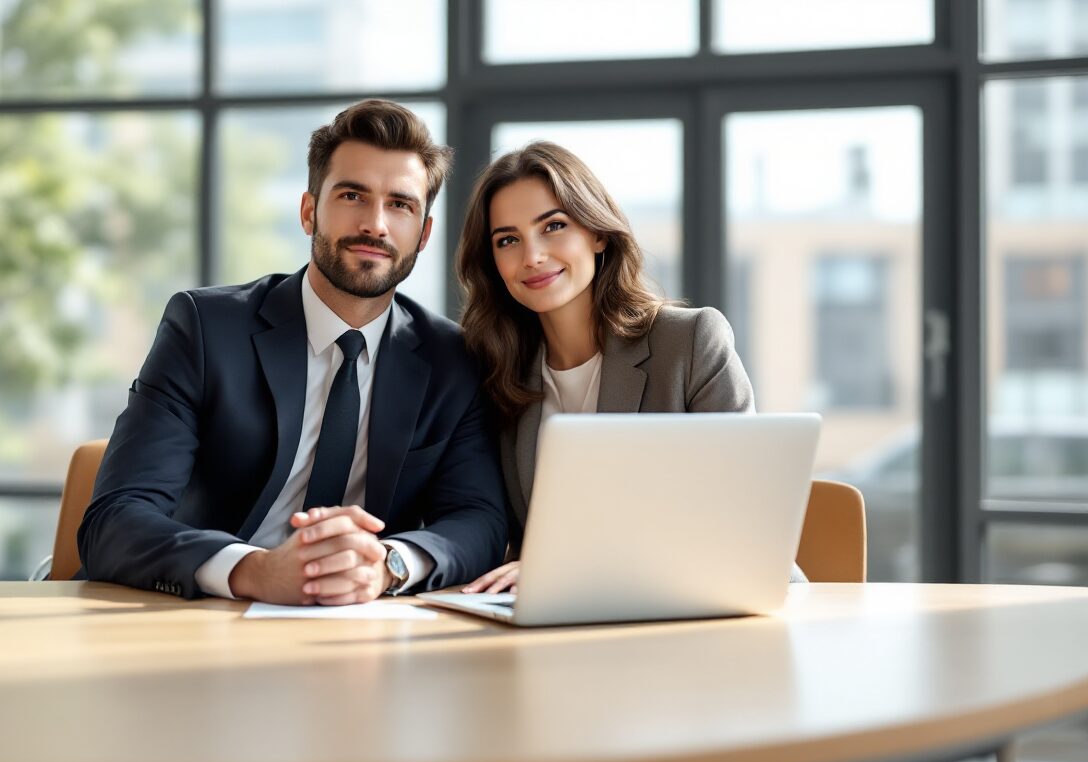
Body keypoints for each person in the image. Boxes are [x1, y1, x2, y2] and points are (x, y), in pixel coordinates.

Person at [78, 100, 508, 605]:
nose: (375, 224)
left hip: (361, 626)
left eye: (401, 204)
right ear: (309, 212)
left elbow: (479, 519)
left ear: (424, 234)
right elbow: (115, 517)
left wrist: (387, 565)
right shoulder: (204, 328)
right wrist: (256, 570)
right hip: (198, 616)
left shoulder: (452, 359)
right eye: (352, 195)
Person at [454, 141, 805, 594]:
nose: (532, 256)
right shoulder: (494, 372)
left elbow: (747, 519)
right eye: (508, 240)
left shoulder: (689, 343)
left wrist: (574, 566)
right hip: (555, 625)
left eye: (554, 226)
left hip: (705, 608)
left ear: (598, 233)